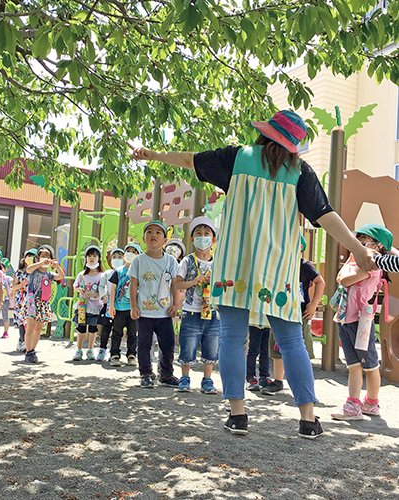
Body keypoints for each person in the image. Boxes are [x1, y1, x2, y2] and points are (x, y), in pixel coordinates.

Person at [129, 109, 376, 438]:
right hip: (279, 270)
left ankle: (238, 415)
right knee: (291, 342)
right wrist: (358, 250)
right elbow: (324, 214)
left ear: (264, 134)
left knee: (232, 338)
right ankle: (307, 419)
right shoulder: (299, 171)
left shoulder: (238, 158)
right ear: (292, 145)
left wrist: (154, 154)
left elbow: (191, 160)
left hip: (235, 266)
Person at [331, 224, 392, 421]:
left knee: (370, 365)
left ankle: (370, 402)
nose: (359, 244)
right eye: (359, 240)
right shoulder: (358, 262)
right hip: (346, 318)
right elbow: (340, 277)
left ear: (379, 247)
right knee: (353, 364)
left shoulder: (371, 267)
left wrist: (350, 261)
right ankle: (355, 403)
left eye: (365, 241)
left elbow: (344, 279)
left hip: (361, 322)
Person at [263, 235, 326, 395]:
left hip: (300, 312)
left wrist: (313, 304)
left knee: (301, 345)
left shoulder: (304, 266)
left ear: (300, 248)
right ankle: (278, 380)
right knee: (276, 347)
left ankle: (304, 381)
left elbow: (321, 282)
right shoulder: (277, 265)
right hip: (279, 311)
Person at [129, 221, 180, 388]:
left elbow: (174, 285)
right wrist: (134, 306)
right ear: (144, 238)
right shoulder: (138, 261)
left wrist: (176, 304)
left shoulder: (171, 261)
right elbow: (134, 285)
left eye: (158, 233)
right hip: (144, 313)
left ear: (165, 240)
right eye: (149, 232)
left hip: (165, 312)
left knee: (168, 343)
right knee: (144, 344)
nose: (153, 235)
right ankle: (145, 373)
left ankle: (166, 374)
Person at [175, 216, 220, 394]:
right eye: (198, 234)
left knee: (211, 346)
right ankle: (184, 378)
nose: (203, 237)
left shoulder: (218, 261)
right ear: (192, 239)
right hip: (191, 311)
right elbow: (178, 284)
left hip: (213, 312)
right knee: (188, 345)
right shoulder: (187, 261)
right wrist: (195, 281)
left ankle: (207, 380)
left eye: (207, 234)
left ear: (213, 239)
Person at [24, 245, 65, 363]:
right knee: (30, 328)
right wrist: (39, 263)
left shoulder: (49, 274)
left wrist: (56, 265)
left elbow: (60, 276)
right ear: (37, 258)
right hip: (32, 302)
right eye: (43, 256)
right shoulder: (34, 270)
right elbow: (28, 269)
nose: (45, 258)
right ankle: (28, 351)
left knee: (38, 329)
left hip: (43, 303)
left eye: (48, 256)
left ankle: (32, 350)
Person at [108, 243, 142, 366]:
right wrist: (111, 305)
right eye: (128, 250)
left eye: (134, 251)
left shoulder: (139, 272)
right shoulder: (118, 271)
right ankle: (114, 355)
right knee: (117, 332)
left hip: (133, 308)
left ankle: (132, 355)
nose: (130, 253)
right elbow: (113, 289)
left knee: (133, 333)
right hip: (119, 308)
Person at [72, 245, 104, 361]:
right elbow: (75, 286)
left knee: (93, 328)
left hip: (95, 307)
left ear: (99, 258)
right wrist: (80, 290)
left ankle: (90, 350)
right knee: (81, 328)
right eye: (89, 255)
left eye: (94, 255)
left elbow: (103, 290)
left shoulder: (102, 275)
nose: (92, 258)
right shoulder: (82, 274)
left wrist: (95, 295)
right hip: (82, 306)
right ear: (85, 258)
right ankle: (79, 350)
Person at [97, 247, 124, 362]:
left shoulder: (125, 272)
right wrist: (103, 296)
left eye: (119, 257)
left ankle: (114, 351)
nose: (117, 259)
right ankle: (102, 349)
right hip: (108, 305)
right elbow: (101, 286)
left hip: (121, 306)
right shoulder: (107, 273)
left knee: (117, 330)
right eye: (114, 257)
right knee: (106, 329)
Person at [12, 249, 36, 352]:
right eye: (28, 256)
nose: (29, 259)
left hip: (32, 300)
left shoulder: (37, 273)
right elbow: (13, 287)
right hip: (21, 300)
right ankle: (22, 340)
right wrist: (21, 284)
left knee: (30, 321)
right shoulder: (19, 272)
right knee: (21, 320)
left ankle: (28, 342)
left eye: (32, 257)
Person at [246, 326, 271, 392]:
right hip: (255, 322)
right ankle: (250, 377)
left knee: (265, 351)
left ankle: (264, 376)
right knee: (254, 350)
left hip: (267, 323)